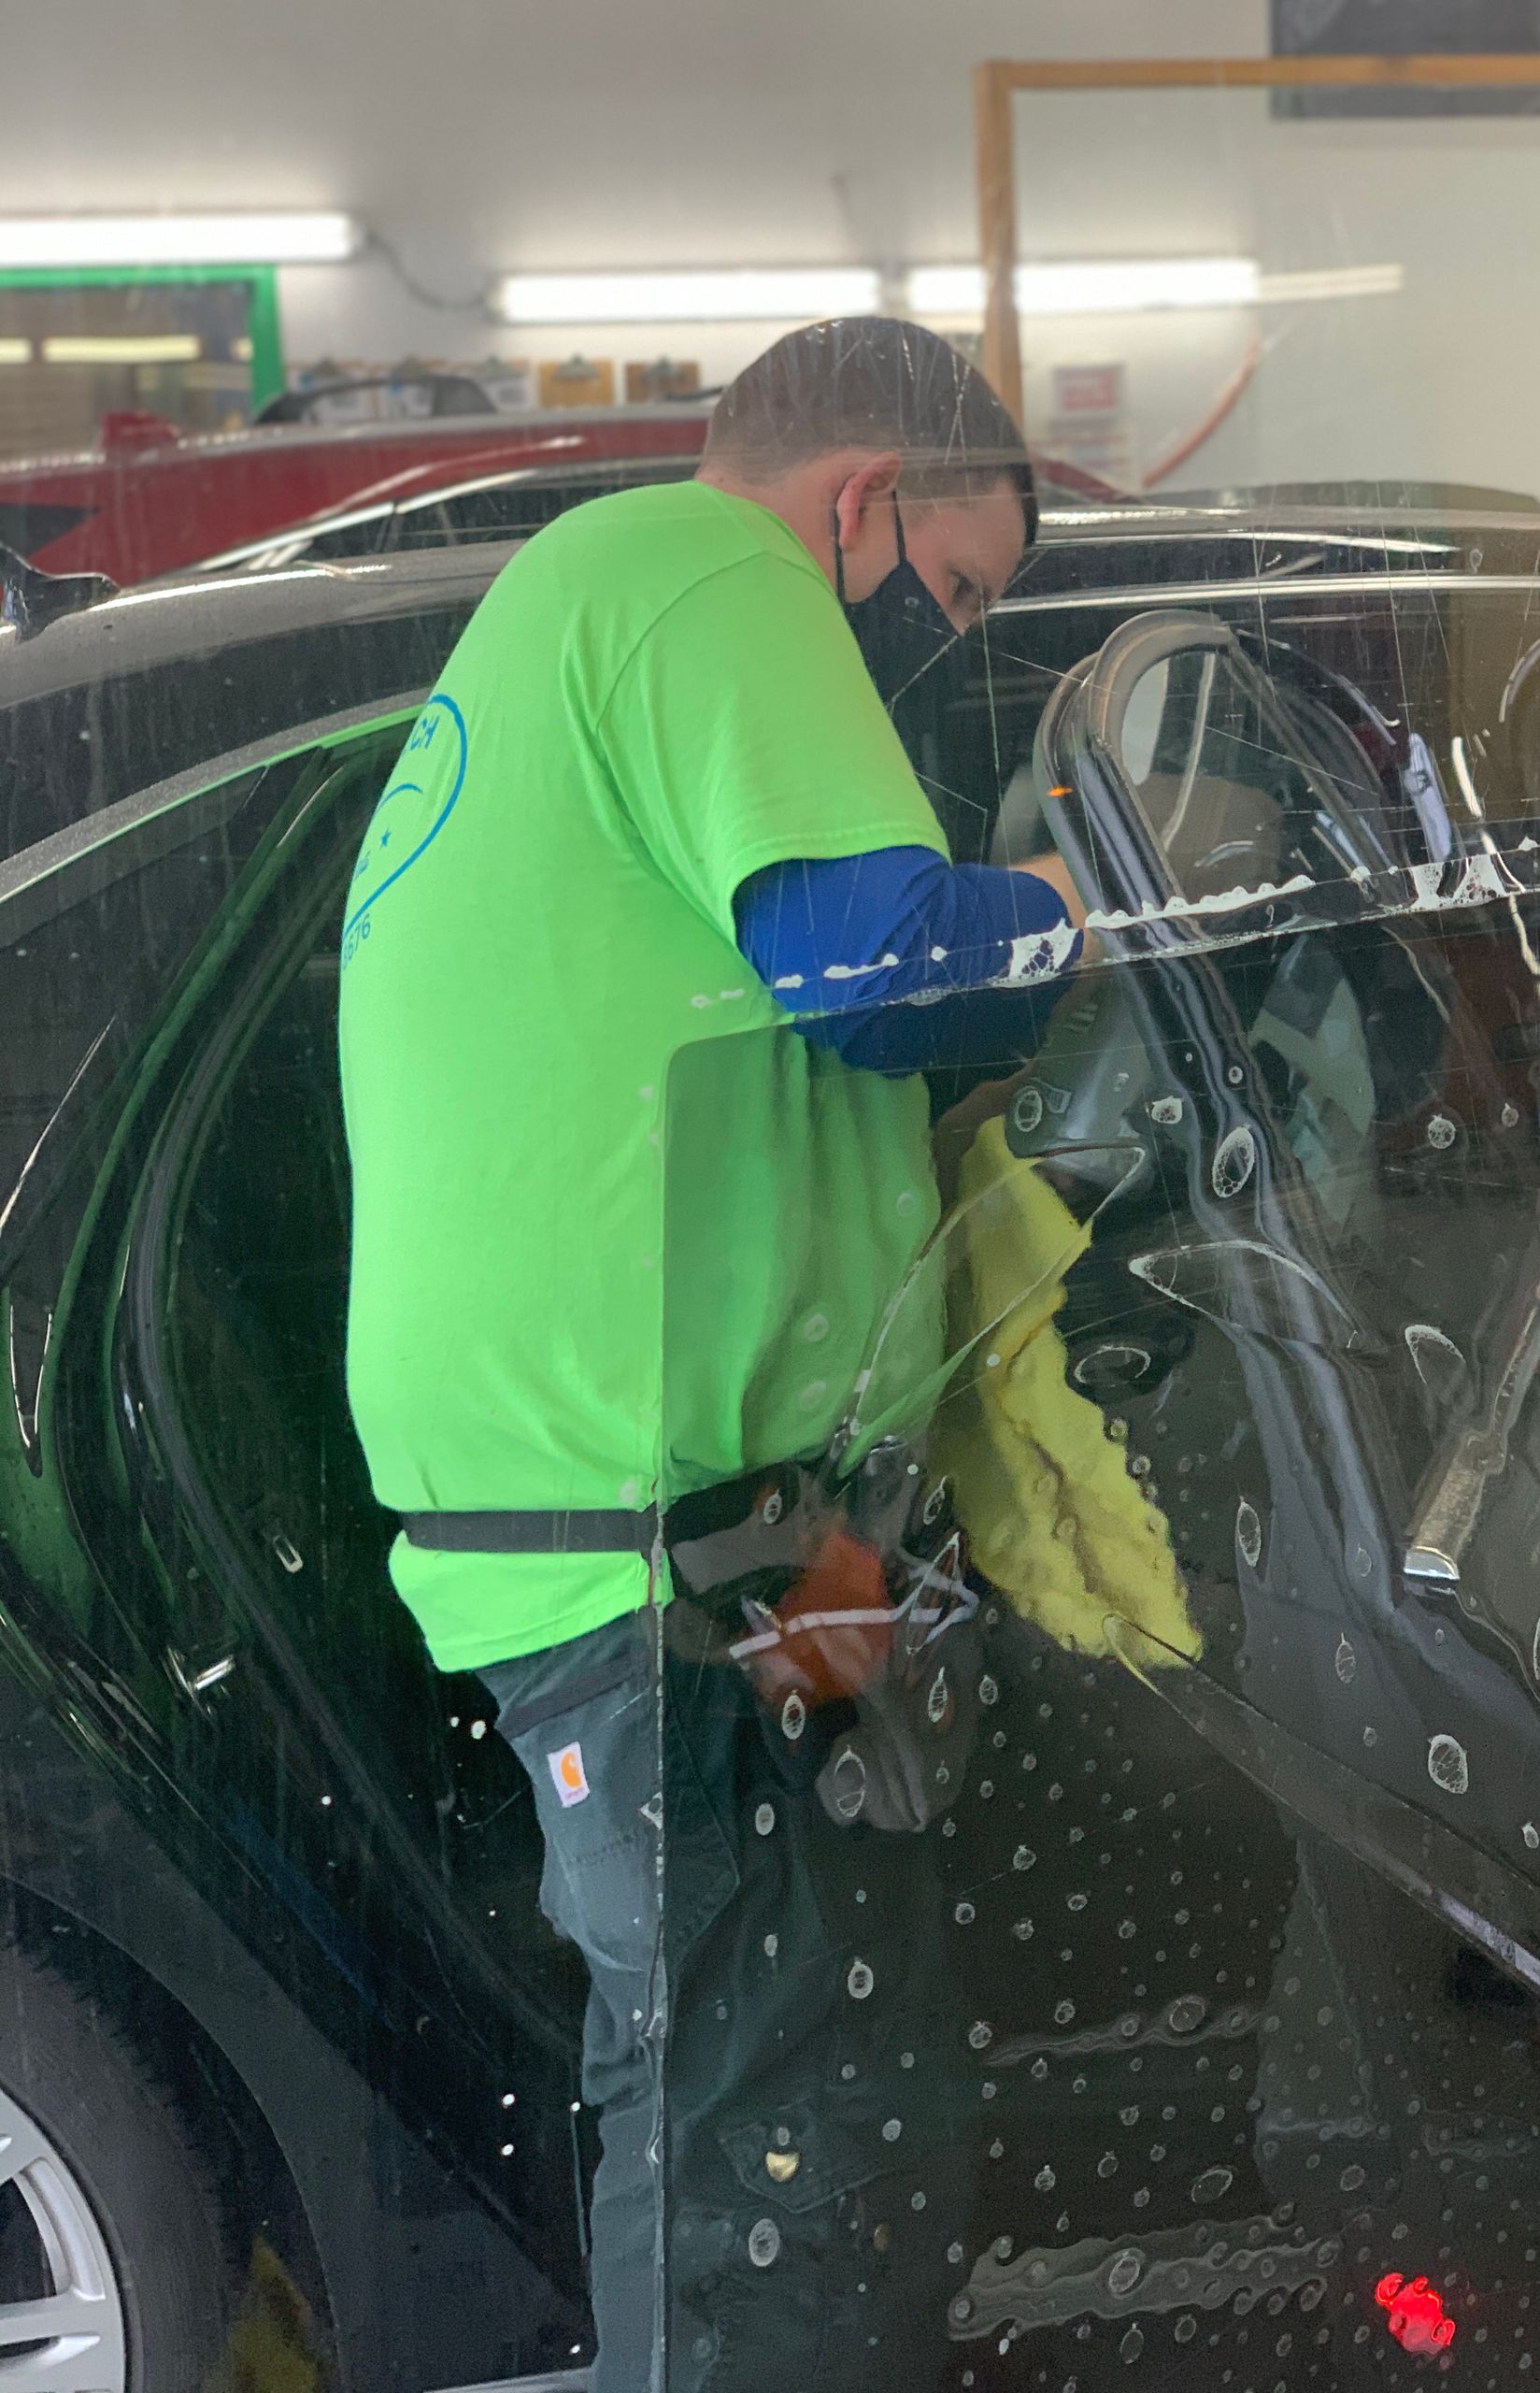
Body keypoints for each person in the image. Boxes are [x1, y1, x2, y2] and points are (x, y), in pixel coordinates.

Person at [337, 316, 1086, 2388]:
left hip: (749, 1537)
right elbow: (876, 958)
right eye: (954, 598)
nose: (946, 650)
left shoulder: (593, 619)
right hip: (655, 1542)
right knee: (765, 2114)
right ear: (861, 505)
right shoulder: (708, 575)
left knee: (843, 2042)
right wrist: (1100, 905)